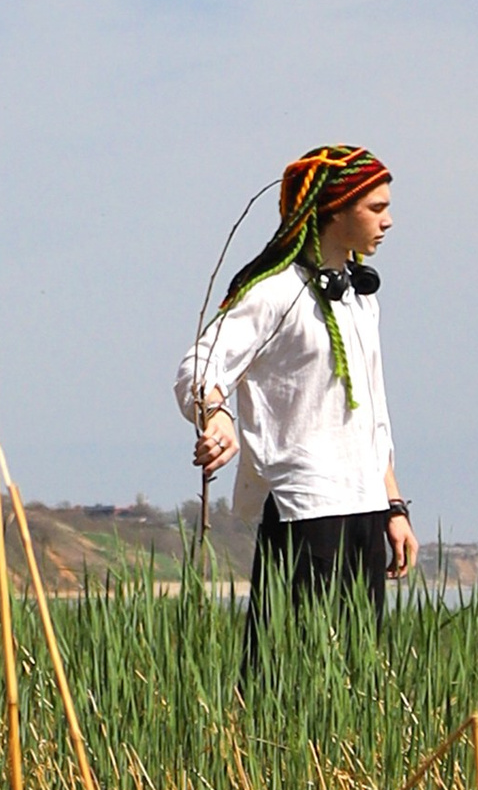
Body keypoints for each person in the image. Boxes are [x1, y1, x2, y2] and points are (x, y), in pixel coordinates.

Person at [176, 144, 418, 660]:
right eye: (376, 208)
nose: (389, 220)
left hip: (365, 508)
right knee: (285, 670)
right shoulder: (272, 292)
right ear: (333, 209)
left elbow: (373, 415)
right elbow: (200, 367)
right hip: (303, 508)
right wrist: (216, 416)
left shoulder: (361, 296)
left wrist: (394, 507)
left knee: (357, 672)